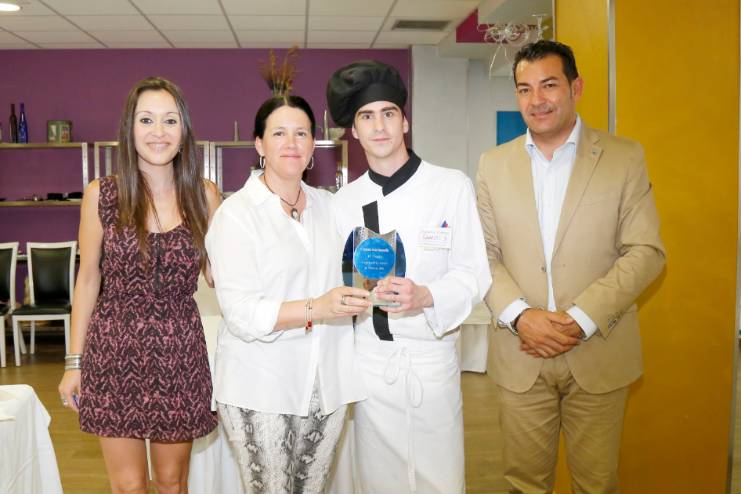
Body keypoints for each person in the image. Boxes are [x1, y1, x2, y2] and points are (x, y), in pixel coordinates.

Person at [476, 40, 666, 493]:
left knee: (597, 484)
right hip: (521, 353)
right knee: (524, 484)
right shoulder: (493, 165)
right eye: (524, 89)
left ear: (575, 87)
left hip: (598, 351)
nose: (536, 100)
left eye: (549, 85)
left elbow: (646, 251)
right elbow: (481, 254)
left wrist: (580, 319)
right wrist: (521, 316)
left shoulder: (624, 157)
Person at [326, 60, 491, 493]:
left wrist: (427, 296)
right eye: (366, 117)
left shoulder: (450, 186)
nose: (379, 126)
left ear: (405, 121)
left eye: (388, 113)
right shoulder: (344, 203)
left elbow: (474, 272)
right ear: (354, 131)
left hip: (430, 363)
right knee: (377, 481)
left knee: (440, 479)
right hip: (371, 367)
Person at [57, 76, 221, 493]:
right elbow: (88, 279)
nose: (158, 132)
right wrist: (74, 363)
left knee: (171, 482)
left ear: (184, 131)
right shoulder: (101, 195)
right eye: (146, 120)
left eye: (170, 120)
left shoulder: (205, 196)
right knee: (128, 486)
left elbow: (221, 275)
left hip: (180, 353)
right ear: (129, 129)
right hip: (114, 353)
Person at [205, 94, 371, 494]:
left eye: (301, 133)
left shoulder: (329, 207)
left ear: (313, 145)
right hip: (261, 382)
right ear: (259, 145)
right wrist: (318, 307)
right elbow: (241, 313)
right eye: (279, 133)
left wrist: (370, 281)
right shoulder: (236, 215)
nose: (292, 143)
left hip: (326, 381)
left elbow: (353, 269)